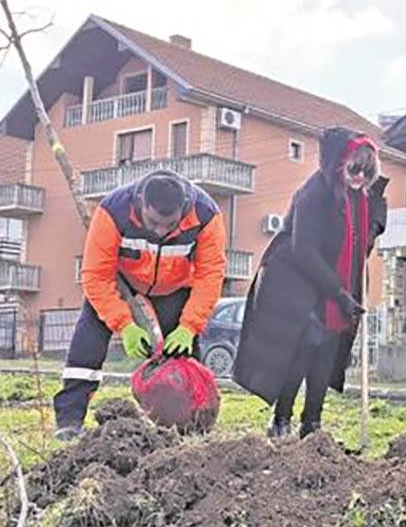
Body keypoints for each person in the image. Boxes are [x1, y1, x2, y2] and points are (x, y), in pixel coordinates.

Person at [233, 127, 388, 439]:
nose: (359, 177)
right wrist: (338, 293)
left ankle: (312, 423)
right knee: (301, 351)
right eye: (354, 169)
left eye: (366, 171)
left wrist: (372, 227)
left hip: (339, 283)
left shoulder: (362, 196)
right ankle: (281, 420)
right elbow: (304, 250)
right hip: (298, 281)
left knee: (327, 354)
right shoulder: (314, 194)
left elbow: (365, 235)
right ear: (338, 163)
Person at [52, 170, 227, 440]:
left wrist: (189, 327)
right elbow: (96, 275)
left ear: (183, 209)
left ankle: (187, 430)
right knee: (85, 350)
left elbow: (210, 274)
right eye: (153, 222)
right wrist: (124, 324)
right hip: (121, 285)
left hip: (175, 289)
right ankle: (69, 421)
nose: (160, 232)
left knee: (181, 362)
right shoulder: (114, 210)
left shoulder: (206, 215)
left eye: (169, 225)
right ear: (140, 203)